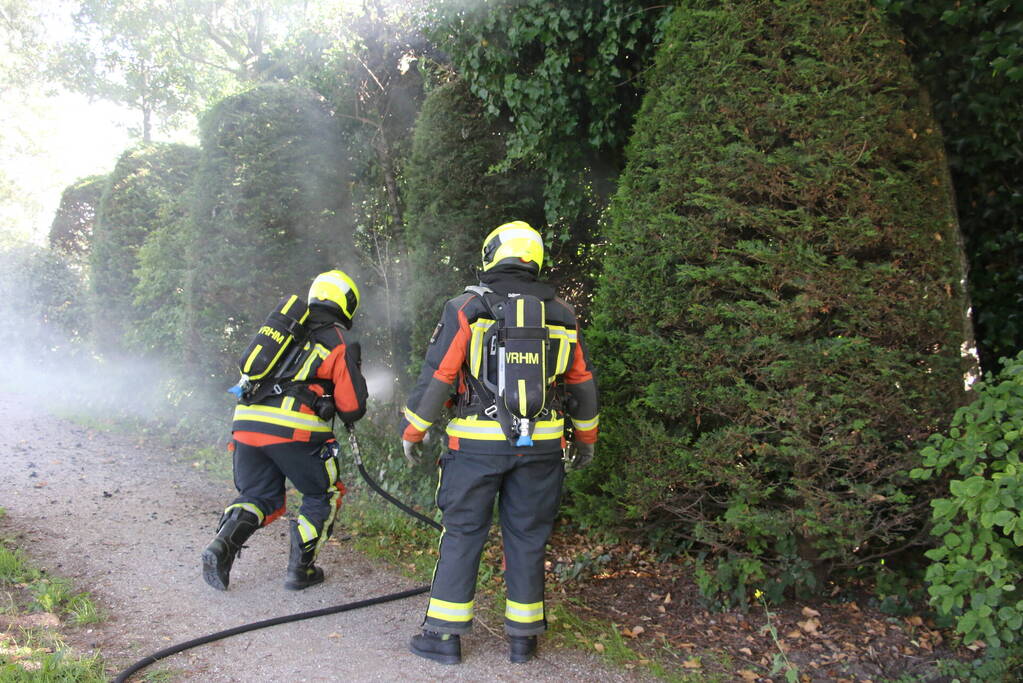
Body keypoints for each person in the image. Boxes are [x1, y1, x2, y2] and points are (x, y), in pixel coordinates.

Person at [400, 221, 599, 664]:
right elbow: (582, 384)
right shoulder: (562, 315)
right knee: (528, 536)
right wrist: (585, 440)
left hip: (475, 446)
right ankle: (523, 639)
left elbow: (439, 375)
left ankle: (444, 638)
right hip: (542, 445)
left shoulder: (469, 306)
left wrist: (414, 429)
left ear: (493, 254)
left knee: (464, 532)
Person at [202, 269, 368, 591]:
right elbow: (352, 408)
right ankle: (300, 570)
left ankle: (220, 546)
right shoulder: (338, 339)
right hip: (295, 432)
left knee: (257, 495)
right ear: (347, 304)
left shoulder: (285, 331)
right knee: (323, 494)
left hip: (246, 424)